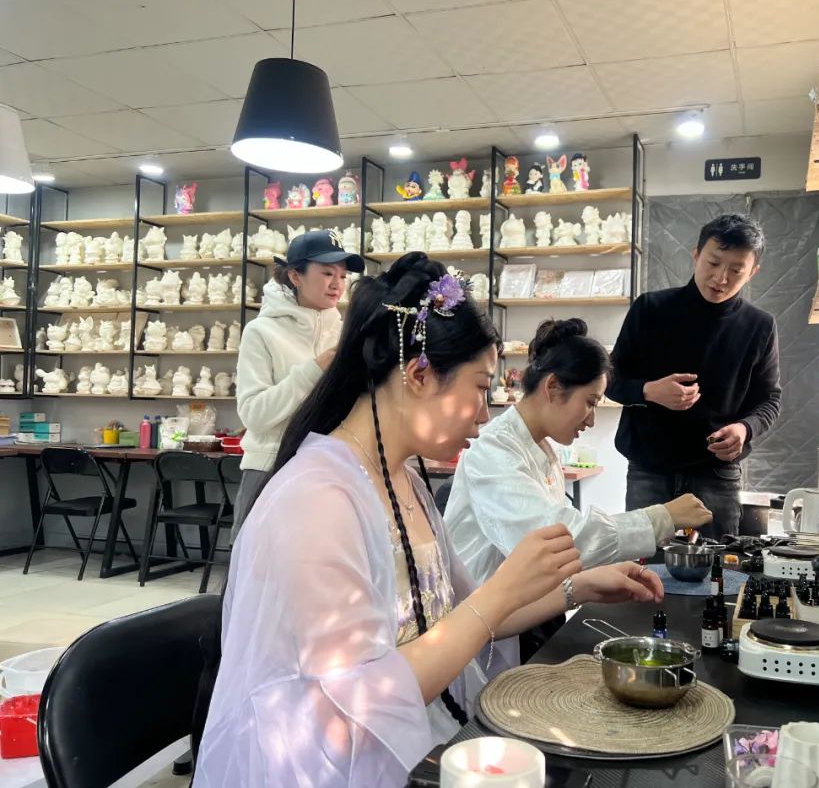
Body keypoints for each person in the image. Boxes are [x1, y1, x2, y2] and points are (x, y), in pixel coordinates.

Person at [195, 254, 663, 787]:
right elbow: (358, 704)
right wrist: (502, 591)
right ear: (418, 374)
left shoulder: (406, 481)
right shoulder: (317, 501)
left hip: (408, 733)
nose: (485, 414)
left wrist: (581, 587)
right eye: (480, 388)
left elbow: (466, 611)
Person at [445, 317, 712, 587]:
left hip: (525, 603)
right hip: (480, 608)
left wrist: (598, 577)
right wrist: (661, 518)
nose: (591, 420)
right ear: (552, 387)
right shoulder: (493, 450)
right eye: (590, 402)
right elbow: (553, 544)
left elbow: (567, 533)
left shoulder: (541, 449)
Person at [606, 214, 782, 539]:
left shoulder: (759, 326)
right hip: (649, 469)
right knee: (644, 564)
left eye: (736, 270)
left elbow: (770, 399)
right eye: (713, 263)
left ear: (753, 272)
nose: (721, 278)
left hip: (716, 473)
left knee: (717, 566)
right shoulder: (650, 309)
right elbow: (609, 381)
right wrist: (648, 391)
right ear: (696, 255)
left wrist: (745, 428)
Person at [232, 230, 362, 536]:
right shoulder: (261, 332)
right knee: (256, 562)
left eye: (343, 276)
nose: (337, 284)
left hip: (329, 471)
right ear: (295, 276)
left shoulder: (345, 333)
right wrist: (313, 370)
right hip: (270, 468)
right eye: (327, 273)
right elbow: (254, 415)